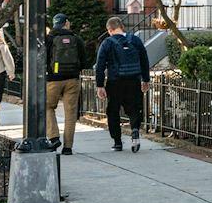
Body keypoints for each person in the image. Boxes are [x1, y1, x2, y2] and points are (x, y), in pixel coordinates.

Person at [93, 16, 150, 152]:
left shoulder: (107, 43)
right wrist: (145, 79)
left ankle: (117, 142)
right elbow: (144, 60)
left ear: (110, 30)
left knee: (113, 111)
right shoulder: (135, 40)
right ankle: (135, 129)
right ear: (122, 27)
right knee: (134, 108)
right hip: (134, 80)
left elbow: (100, 65)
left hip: (115, 81)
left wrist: (100, 85)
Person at [45, 13, 85, 154]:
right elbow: (84, 60)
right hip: (72, 80)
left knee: (48, 107)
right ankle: (68, 147)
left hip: (53, 79)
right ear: (66, 23)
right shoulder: (76, 39)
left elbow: (43, 58)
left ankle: (54, 136)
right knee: (70, 113)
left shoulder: (49, 39)